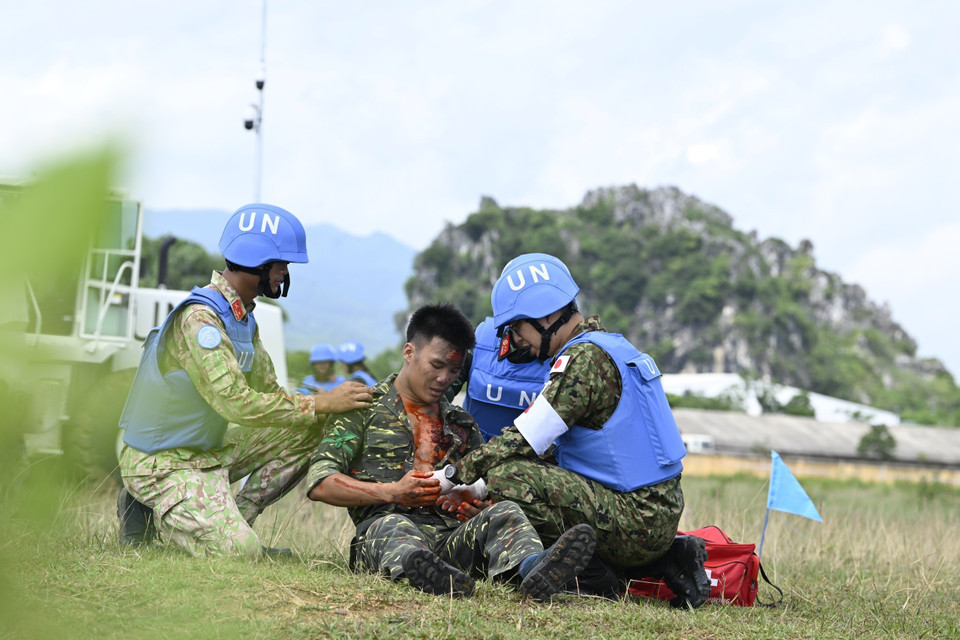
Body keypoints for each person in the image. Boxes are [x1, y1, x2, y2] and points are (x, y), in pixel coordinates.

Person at [450, 253, 712, 608]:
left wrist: (451, 477)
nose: (515, 341)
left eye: (516, 328)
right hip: (656, 514)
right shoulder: (613, 347)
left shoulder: (583, 361)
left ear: (545, 317)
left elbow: (527, 437)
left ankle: (592, 574)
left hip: (636, 518)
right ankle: (667, 559)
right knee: (529, 472)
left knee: (508, 476)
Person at [116, 203, 374, 557]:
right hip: (163, 460)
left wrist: (326, 408)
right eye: (281, 264)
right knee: (241, 554)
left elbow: (270, 395)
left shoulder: (242, 320)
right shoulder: (201, 320)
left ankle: (237, 518)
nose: (284, 274)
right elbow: (236, 402)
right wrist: (321, 400)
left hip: (205, 448)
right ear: (257, 261)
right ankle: (147, 501)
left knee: (311, 425)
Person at [306, 303, 597, 600]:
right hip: (386, 535)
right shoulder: (362, 409)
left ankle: (534, 570)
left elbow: (483, 487)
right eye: (436, 365)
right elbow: (320, 483)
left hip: (450, 541)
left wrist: (478, 505)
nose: (445, 378)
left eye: (454, 370)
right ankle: (424, 574)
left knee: (505, 512)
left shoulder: (462, 424)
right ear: (409, 352)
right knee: (392, 525)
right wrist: (391, 492)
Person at [447, 316, 551, 441]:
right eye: (517, 329)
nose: (521, 337)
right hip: (472, 450)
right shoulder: (482, 338)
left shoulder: (565, 353)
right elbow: (440, 391)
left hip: (530, 456)